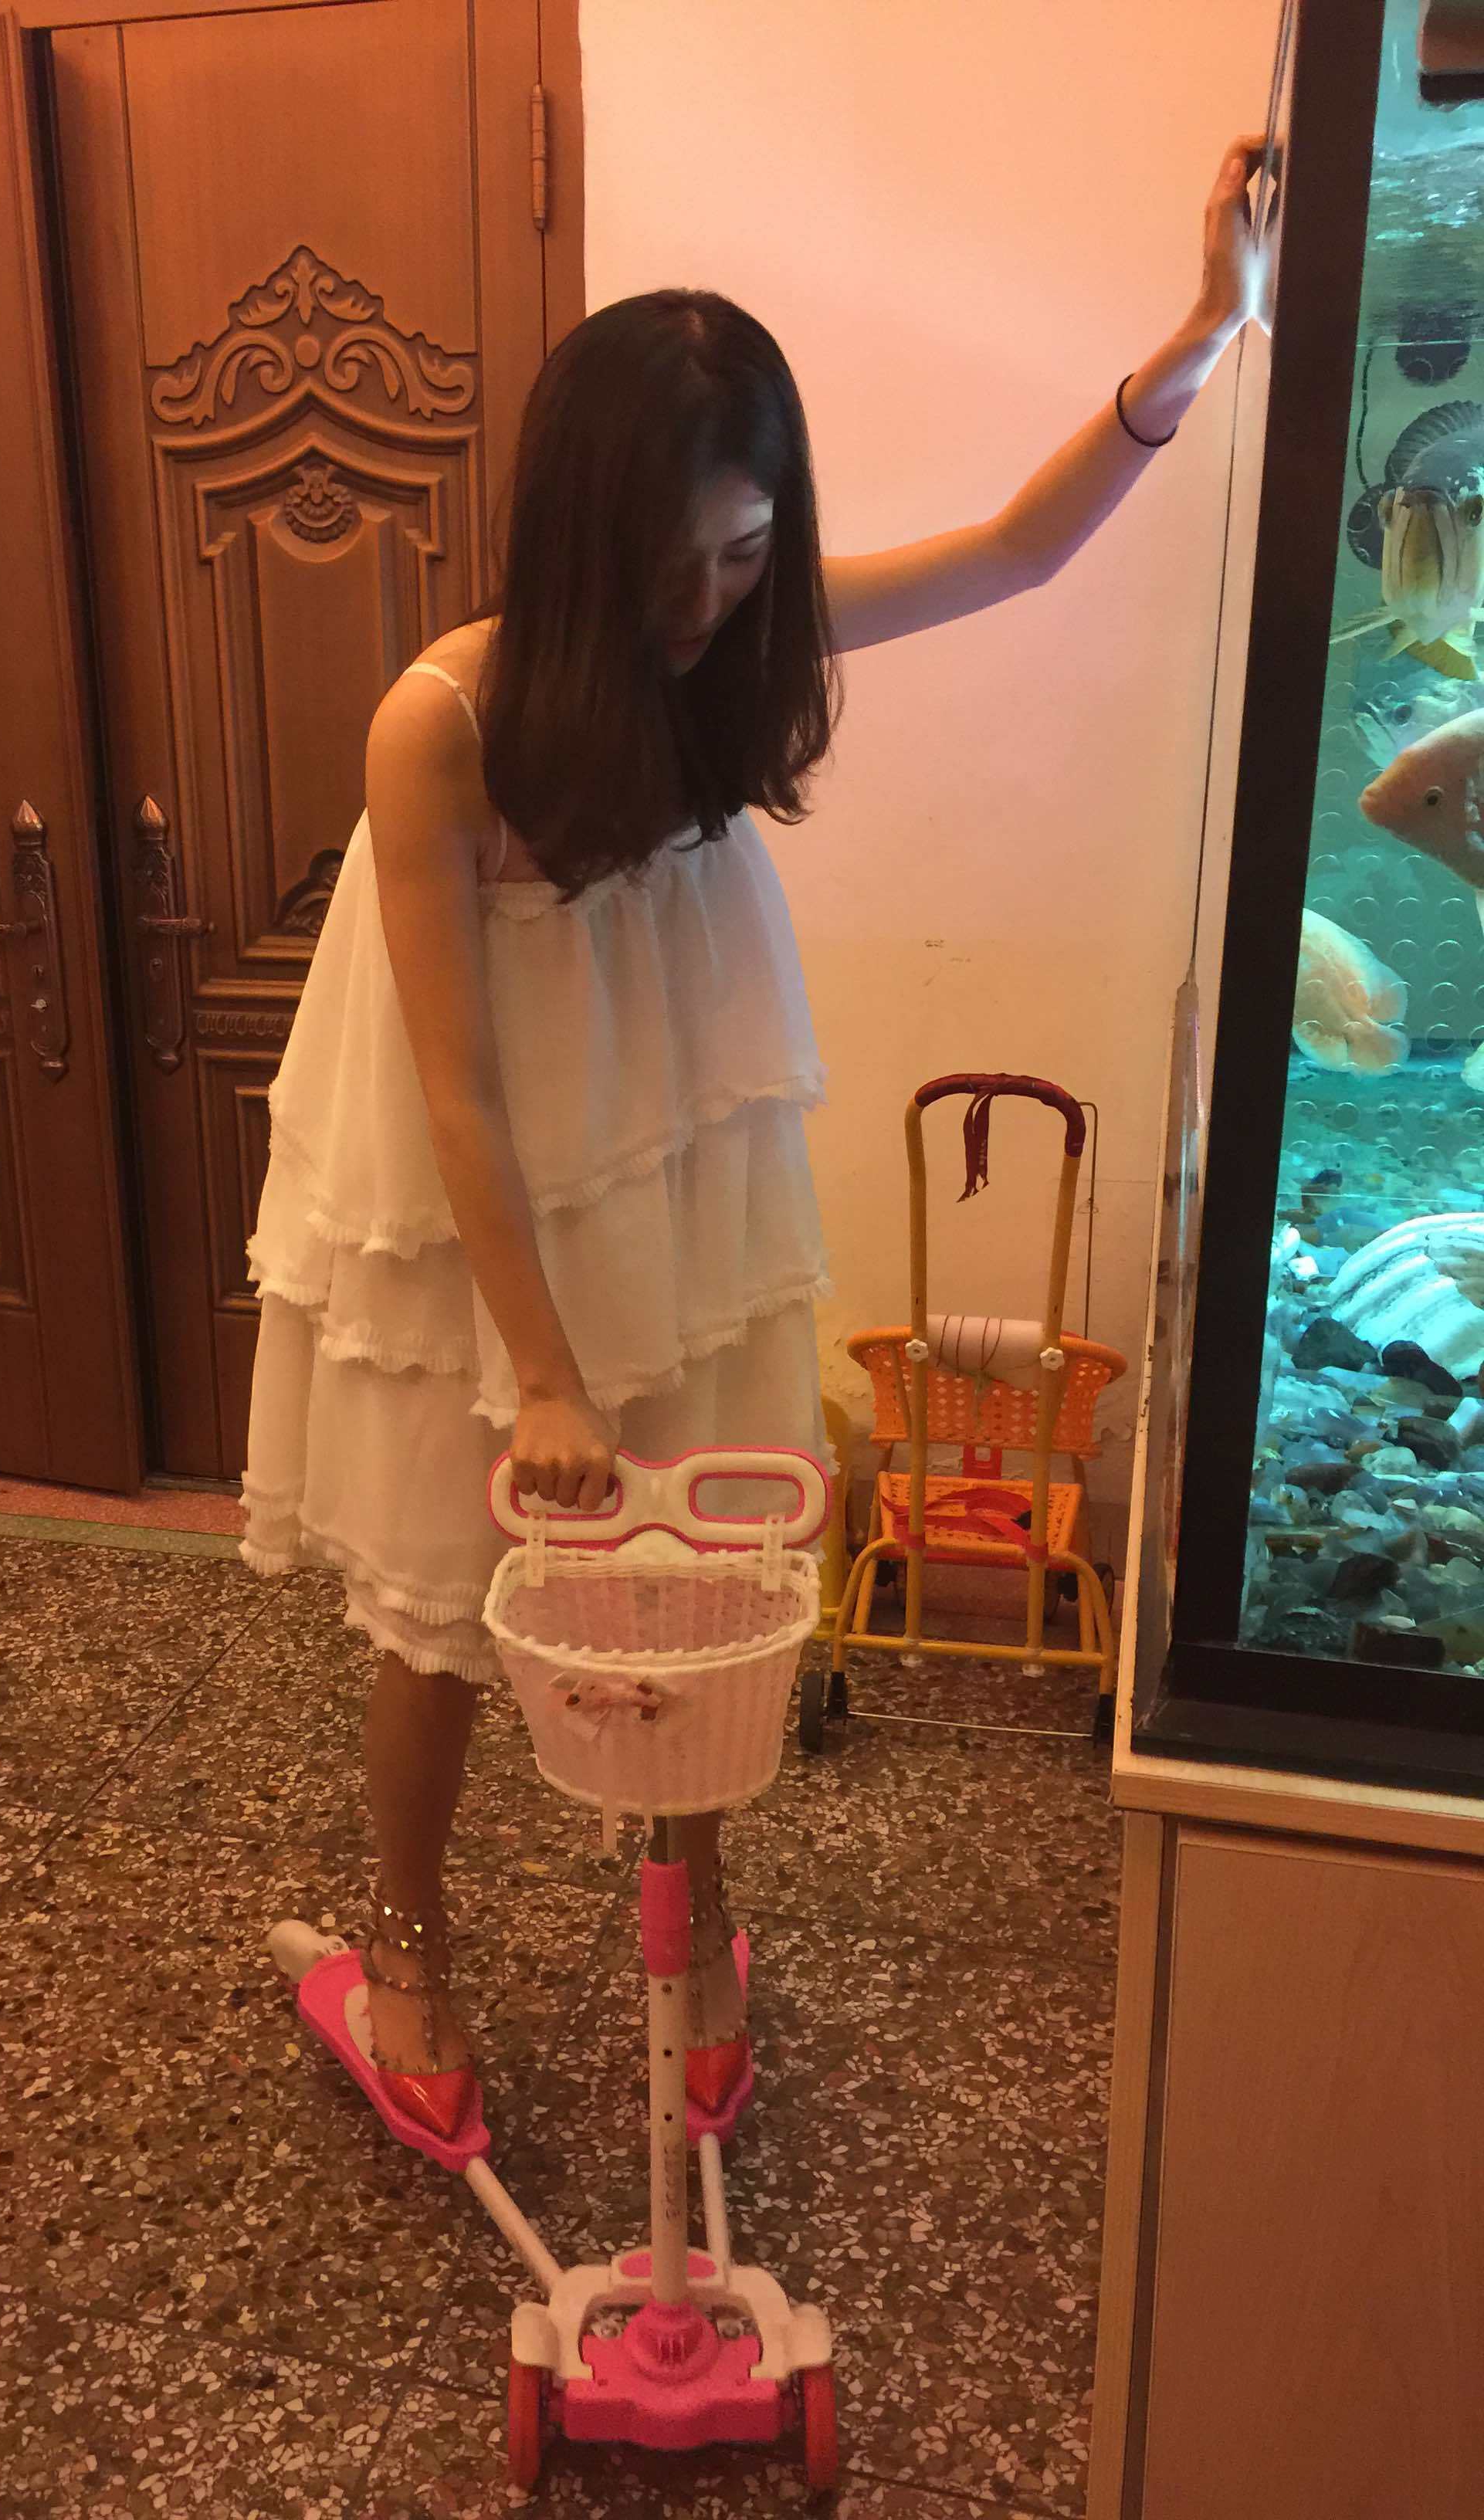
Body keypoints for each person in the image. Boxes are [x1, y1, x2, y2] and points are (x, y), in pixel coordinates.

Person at [243, 135, 1267, 2141]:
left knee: (695, 1598)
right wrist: (542, 1371)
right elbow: (457, 1092)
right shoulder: (440, 725)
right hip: (487, 1207)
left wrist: (1207, 329)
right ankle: (413, 1953)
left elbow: (1018, 550)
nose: (709, 602)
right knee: (443, 1603)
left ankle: (698, 1921)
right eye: (675, 561)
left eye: (742, 552)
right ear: (578, 532)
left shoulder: (745, 646)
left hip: (677, 1169)